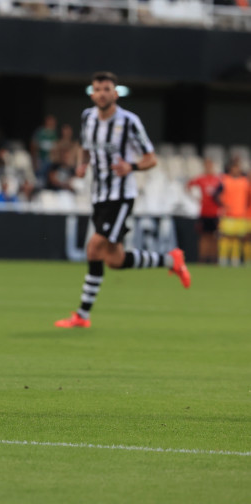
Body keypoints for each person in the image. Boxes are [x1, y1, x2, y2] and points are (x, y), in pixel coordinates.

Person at [55, 71, 190, 329]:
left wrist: (132, 167)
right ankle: (172, 260)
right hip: (98, 195)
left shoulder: (129, 122)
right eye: (97, 89)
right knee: (115, 260)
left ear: (115, 93)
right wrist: (82, 165)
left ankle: (82, 315)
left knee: (94, 247)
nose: (102, 93)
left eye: (107, 89)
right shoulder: (88, 118)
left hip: (121, 197)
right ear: (92, 93)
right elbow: (84, 148)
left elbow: (151, 158)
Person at [214, 158, 250, 267]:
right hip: (228, 214)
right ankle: (223, 259)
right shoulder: (224, 180)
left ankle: (235, 259)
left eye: (238, 168)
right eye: (234, 168)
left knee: (238, 238)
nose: (236, 170)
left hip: (240, 214)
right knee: (225, 237)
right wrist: (223, 204)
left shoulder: (245, 181)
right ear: (230, 169)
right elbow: (216, 195)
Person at [185, 158, 222, 264]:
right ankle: (203, 259)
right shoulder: (201, 179)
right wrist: (195, 198)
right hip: (204, 212)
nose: (208, 167)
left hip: (215, 212)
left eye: (210, 165)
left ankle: (214, 259)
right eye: (207, 165)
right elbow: (188, 186)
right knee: (204, 236)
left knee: (214, 236)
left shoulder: (217, 179)